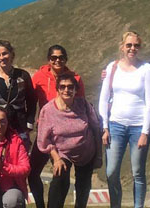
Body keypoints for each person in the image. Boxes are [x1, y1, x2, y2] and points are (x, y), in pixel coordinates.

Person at [98, 31, 150, 208]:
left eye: (136, 45)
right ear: (122, 46)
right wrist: (105, 127)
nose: (132, 48)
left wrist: (145, 132)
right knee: (111, 172)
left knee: (138, 172)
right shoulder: (112, 68)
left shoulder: (147, 69)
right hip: (115, 126)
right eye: (129, 45)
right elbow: (103, 97)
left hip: (138, 128)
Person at [29, 45, 86, 208]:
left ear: (66, 59)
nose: (57, 60)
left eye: (61, 57)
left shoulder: (75, 78)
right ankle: (40, 205)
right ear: (49, 60)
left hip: (65, 134)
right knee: (33, 173)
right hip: (44, 132)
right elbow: (30, 100)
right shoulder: (39, 77)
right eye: (54, 57)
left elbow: (81, 104)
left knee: (63, 173)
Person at [36, 74, 101, 208]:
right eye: (63, 87)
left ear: (76, 89)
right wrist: (56, 159)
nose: (66, 90)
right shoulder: (48, 111)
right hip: (62, 153)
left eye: (70, 87)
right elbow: (44, 140)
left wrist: (99, 155)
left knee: (83, 190)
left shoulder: (84, 105)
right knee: (59, 183)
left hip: (86, 152)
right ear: (57, 89)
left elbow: (96, 128)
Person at [0, 40, 36, 148]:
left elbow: (31, 100)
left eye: (4, 53)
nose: (2, 58)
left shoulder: (23, 75)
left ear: (11, 54)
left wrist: (29, 121)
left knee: (20, 157)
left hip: (20, 126)